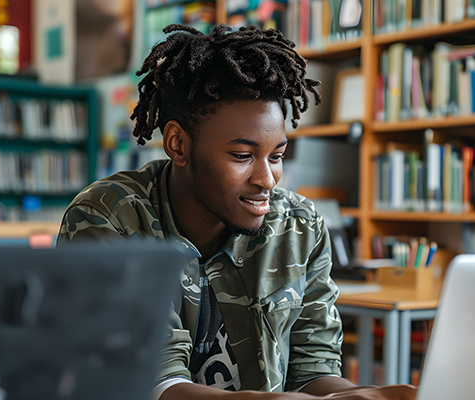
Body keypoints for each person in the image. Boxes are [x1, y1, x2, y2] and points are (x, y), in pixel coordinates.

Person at [57, 24, 416, 400]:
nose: (267, 179)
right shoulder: (108, 218)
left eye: (276, 156)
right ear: (178, 145)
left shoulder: (300, 225)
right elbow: (155, 384)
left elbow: (312, 373)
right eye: (243, 156)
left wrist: (366, 396)